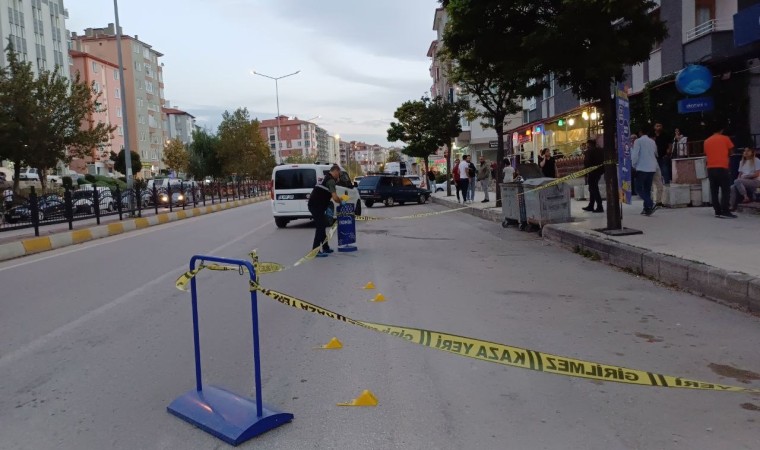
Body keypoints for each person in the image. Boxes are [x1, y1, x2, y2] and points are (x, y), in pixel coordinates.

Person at [307, 164, 344, 257]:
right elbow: (335, 197)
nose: (339, 176)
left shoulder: (325, 177)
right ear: (335, 171)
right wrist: (341, 201)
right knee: (320, 227)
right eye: (339, 174)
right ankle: (315, 251)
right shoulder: (330, 181)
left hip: (315, 205)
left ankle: (326, 247)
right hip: (316, 206)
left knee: (322, 225)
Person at [704, 124, 737, 218]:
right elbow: (731, 152)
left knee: (714, 191)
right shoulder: (725, 138)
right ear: (721, 130)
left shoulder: (706, 141)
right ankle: (725, 210)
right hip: (722, 167)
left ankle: (717, 211)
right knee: (726, 190)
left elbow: (706, 153)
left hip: (710, 168)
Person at [631, 128, 659, 216]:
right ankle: (647, 208)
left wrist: (633, 165)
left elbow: (635, 154)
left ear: (640, 132)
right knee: (647, 189)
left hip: (642, 167)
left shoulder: (638, 141)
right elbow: (656, 153)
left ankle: (650, 203)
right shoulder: (652, 142)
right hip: (652, 168)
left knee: (638, 188)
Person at [582, 140, 605, 213]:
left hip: (592, 172)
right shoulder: (601, 150)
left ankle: (599, 206)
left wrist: (585, 174)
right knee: (592, 188)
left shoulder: (589, 151)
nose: (586, 146)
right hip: (599, 172)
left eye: (587, 145)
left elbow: (586, 163)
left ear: (589, 144)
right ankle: (591, 205)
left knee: (593, 189)